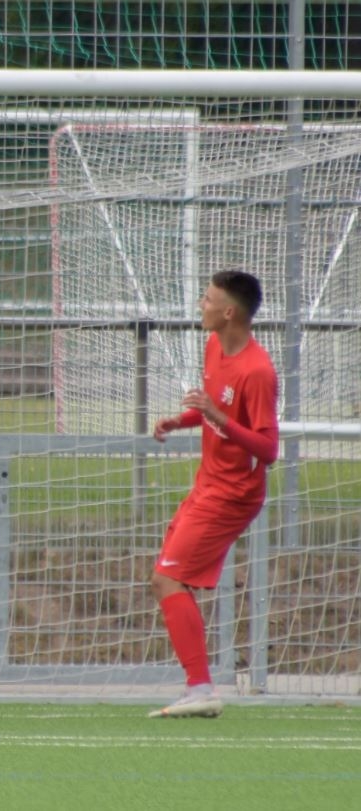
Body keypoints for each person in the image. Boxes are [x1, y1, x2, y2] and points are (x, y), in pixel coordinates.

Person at [148, 271, 278, 719]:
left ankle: (201, 688)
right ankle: (198, 686)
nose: (200, 305)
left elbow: (268, 448)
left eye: (206, 299)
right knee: (167, 578)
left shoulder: (257, 371)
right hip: (209, 483)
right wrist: (181, 420)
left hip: (234, 494)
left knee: (167, 578)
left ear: (228, 312)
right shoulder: (213, 345)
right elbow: (213, 411)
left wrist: (216, 416)